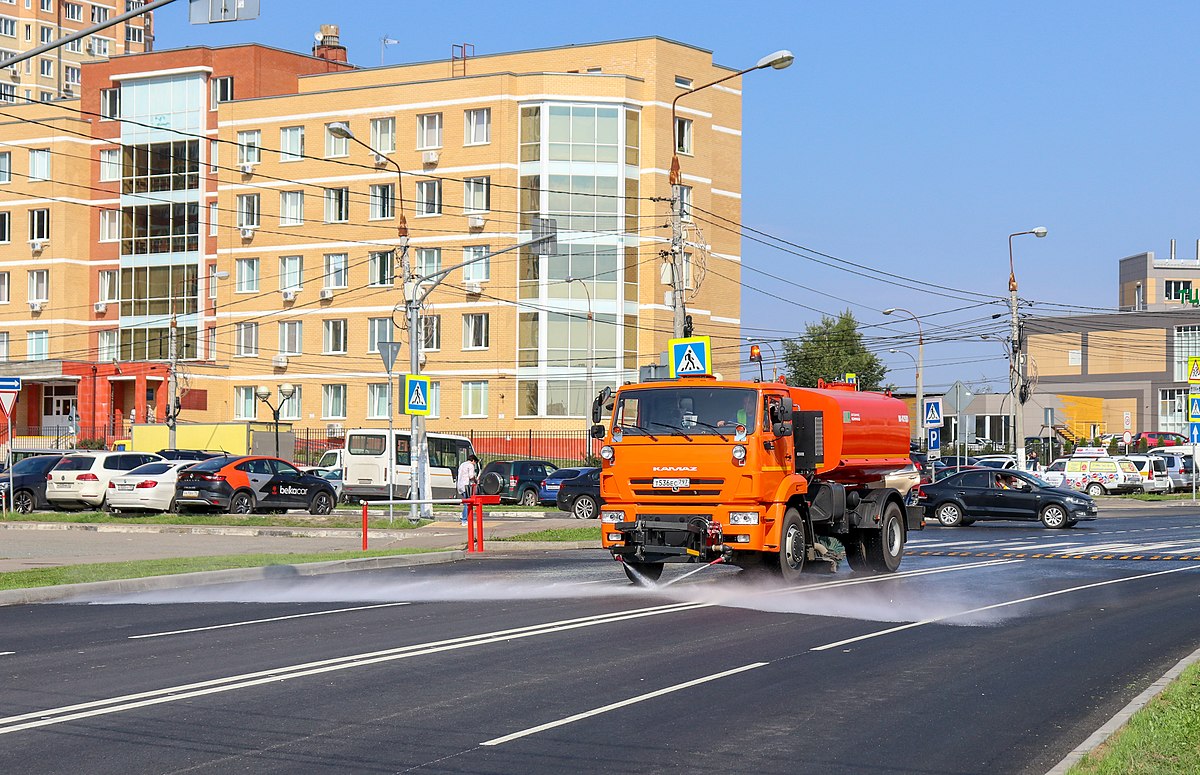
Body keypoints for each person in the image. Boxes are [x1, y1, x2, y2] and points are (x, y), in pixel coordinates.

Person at [457, 454, 479, 526]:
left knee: (466, 501)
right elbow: (471, 476)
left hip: (460, 484)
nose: (474, 464)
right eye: (475, 462)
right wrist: (476, 480)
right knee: (468, 502)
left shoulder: (462, 464)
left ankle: (463, 514)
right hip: (466, 485)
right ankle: (464, 519)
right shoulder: (470, 465)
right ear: (473, 460)